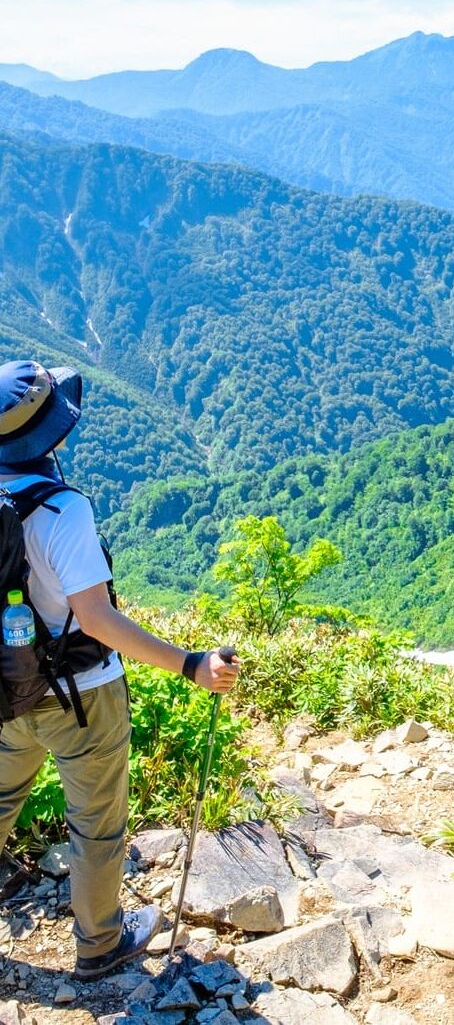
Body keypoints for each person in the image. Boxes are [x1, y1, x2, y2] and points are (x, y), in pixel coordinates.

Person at [0, 359, 239, 980]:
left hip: (4, 687)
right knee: (96, 826)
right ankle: (99, 945)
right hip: (83, 697)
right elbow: (97, 620)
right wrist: (189, 664)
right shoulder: (62, 511)